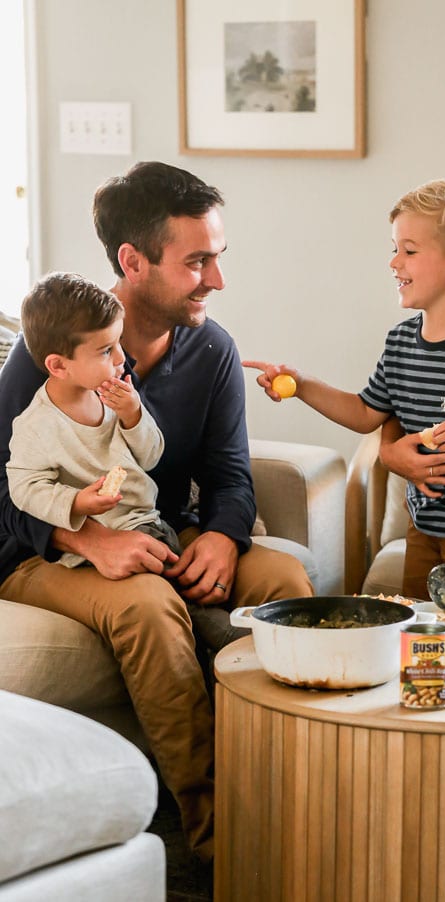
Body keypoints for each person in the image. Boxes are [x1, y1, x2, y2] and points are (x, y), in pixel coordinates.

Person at [0, 161, 313, 864]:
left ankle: (301, 793)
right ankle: (217, 838)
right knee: (145, 605)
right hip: (45, 551)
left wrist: (227, 539)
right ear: (132, 261)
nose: (217, 279)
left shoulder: (212, 350)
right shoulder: (46, 357)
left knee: (286, 583)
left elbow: (229, 473)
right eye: (196, 261)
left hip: (162, 530)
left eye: (218, 257)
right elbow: (2, 485)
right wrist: (87, 536)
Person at [245, 177, 445, 599]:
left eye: (409, 251)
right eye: (394, 249)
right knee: (419, 638)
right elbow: (366, 413)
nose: (394, 263)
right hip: (423, 526)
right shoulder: (401, 342)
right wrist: (301, 385)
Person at [7, 272, 181, 568]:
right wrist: (75, 503)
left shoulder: (115, 397)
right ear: (59, 365)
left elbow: (151, 458)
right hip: (95, 544)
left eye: (118, 343)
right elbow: (24, 487)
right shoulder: (36, 426)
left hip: (148, 523)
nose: (120, 358)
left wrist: (133, 416)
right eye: (105, 350)